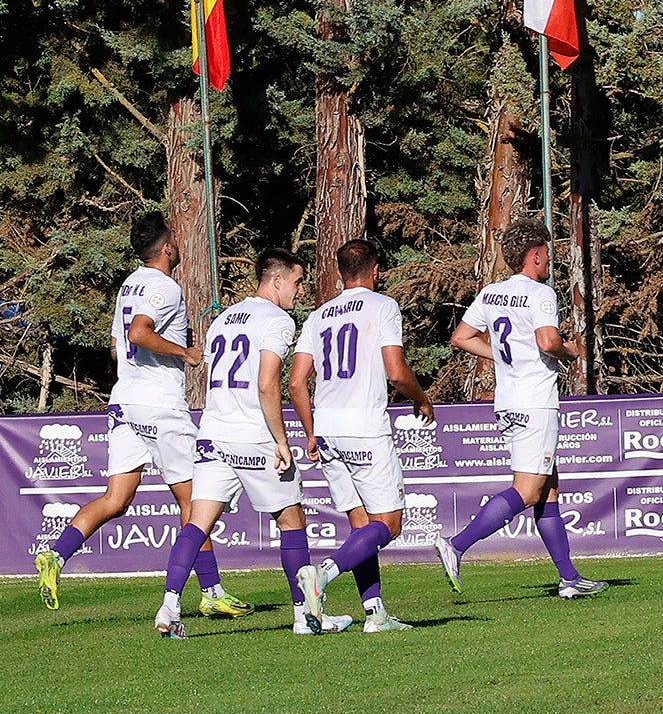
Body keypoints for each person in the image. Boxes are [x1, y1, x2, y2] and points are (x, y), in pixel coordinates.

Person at [32, 219, 244, 616]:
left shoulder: (129, 285)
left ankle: (56, 556)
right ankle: (212, 590)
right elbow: (137, 334)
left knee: (116, 498)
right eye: (175, 242)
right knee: (195, 500)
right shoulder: (165, 286)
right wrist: (185, 353)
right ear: (166, 250)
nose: (178, 246)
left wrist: (145, 353)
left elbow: (116, 347)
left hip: (125, 401)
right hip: (158, 405)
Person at [154, 250, 343, 637]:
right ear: (277, 280)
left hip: (213, 434)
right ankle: (306, 617)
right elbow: (266, 383)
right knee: (292, 521)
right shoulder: (278, 320)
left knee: (197, 523)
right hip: (253, 436)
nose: (301, 288)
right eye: (298, 280)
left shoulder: (222, 319)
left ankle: (170, 605)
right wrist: (281, 440)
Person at [433, 220, 602, 598]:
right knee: (527, 491)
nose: (548, 259)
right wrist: (572, 351)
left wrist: (502, 358)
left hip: (508, 401)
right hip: (535, 402)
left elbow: (460, 338)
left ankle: (570, 579)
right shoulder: (540, 293)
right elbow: (547, 341)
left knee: (548, 490)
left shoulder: (492, 293)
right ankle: (456, 545)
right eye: (546, 252)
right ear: (536, 255)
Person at [289, 240, 436, 632]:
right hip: (364, 429)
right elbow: (397, 372)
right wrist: (422, 399)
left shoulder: (318, 316)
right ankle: (322, 574)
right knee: (387, 525)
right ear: (375, 271)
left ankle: (375, 613)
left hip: (328, 428)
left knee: (361, 528)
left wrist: (310, 431)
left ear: (339, 273)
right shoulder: (382, 306)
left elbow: (296, 382)